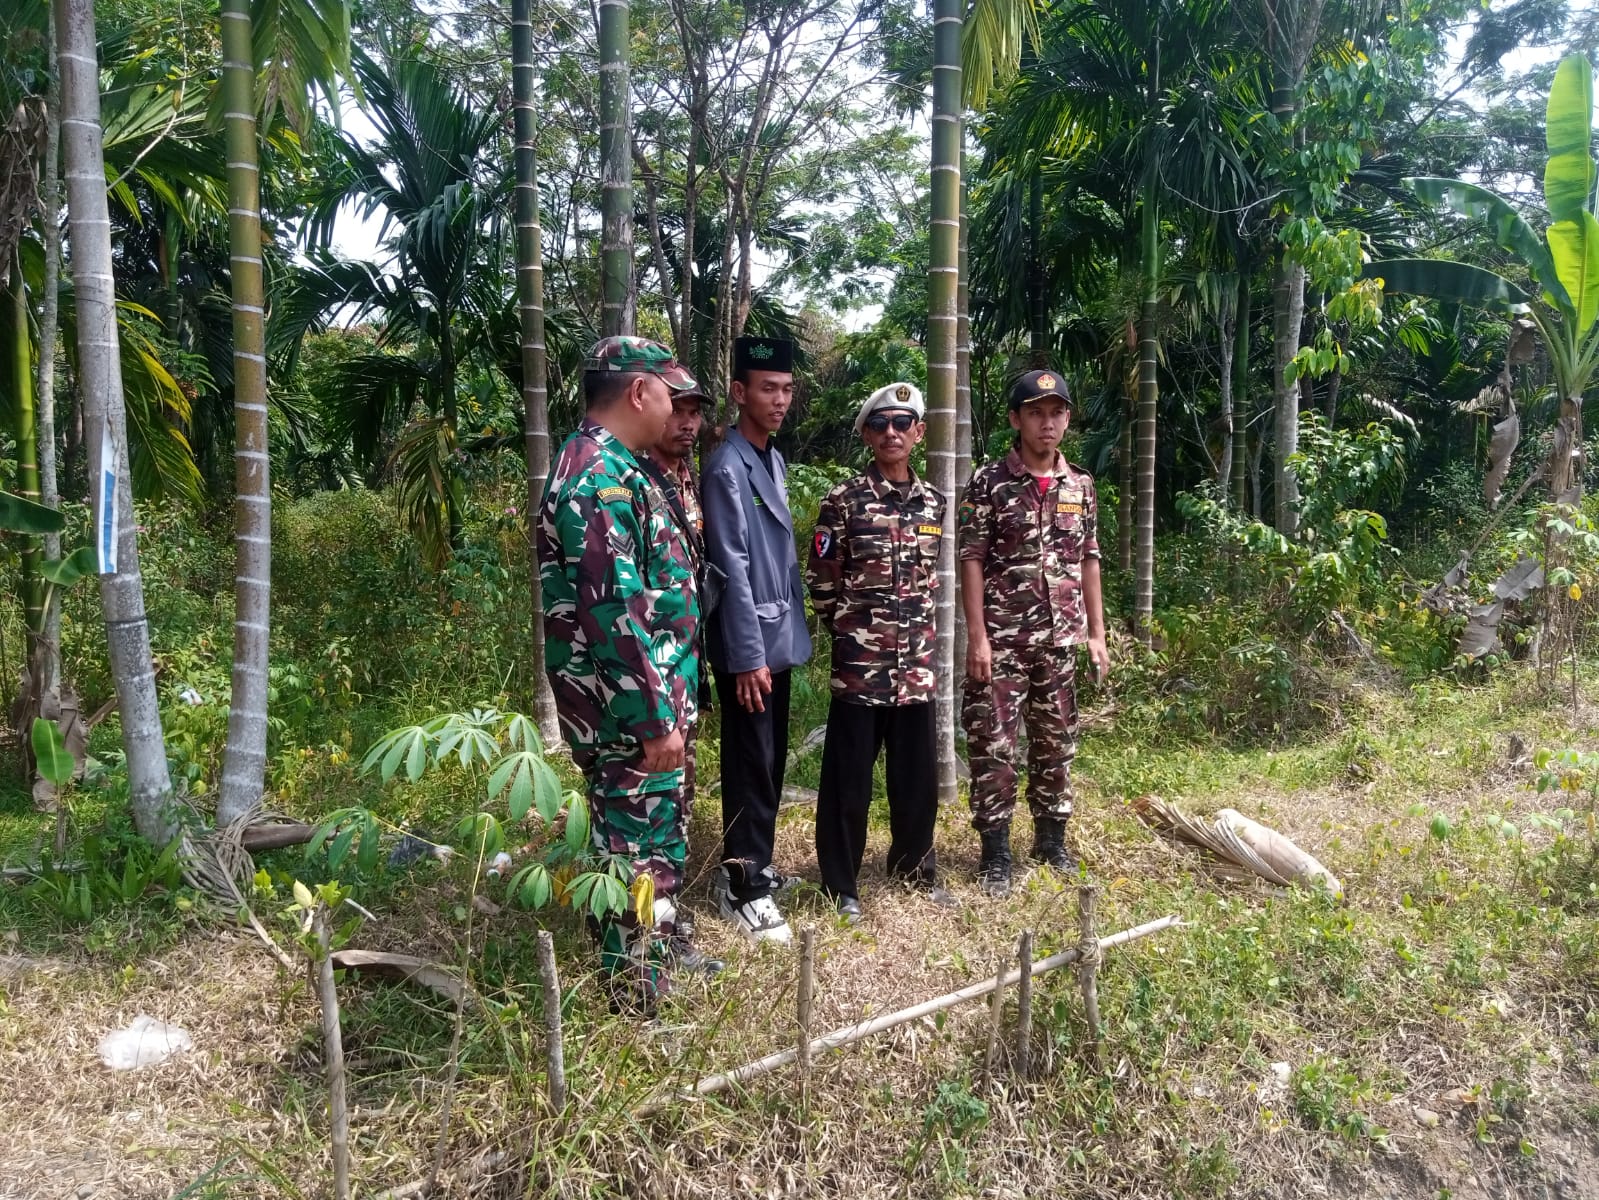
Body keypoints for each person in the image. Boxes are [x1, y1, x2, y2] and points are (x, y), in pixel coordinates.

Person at [537, 335, 716, 1011]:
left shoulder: (619, 467)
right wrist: (653, 719)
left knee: (651, 843)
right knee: (635, 851)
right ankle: (636, 993)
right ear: (639, 392)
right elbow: (613, 609)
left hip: (643, 703)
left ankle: (655, 962)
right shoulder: (597, 477)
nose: (676, 409)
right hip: (626, 714)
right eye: (669, 393)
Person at [807, 383, 957, 924]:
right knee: (848, 782)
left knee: (916, 779)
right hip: (861, 669)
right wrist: (854, 633)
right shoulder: (843, 500)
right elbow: (822, 583)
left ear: (919, 432)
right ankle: (841, 883)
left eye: (901, 423)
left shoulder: (934, 503)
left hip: (916, 667)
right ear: (867, 436)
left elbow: (928, 580)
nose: (891, 433)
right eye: (879, 424)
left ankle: (914, 867)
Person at [958, 369, 1110, 898]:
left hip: (1060, 639)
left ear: (1067, 419)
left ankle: (1050, 842)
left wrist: (1097, 634)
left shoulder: (1080, 485)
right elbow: (971, 559)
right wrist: (977, 637)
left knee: (1056, 743)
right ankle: (995, 851)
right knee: (994, 745)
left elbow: (1089, 559)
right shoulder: (989, 483)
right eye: (1036, 413)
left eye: (1056, 413)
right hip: (1002, 640)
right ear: (1015, 420)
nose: (1048, 423)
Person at [702, 335, 813, 945]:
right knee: (750, 763)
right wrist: (746, 658)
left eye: (787, 389)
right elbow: (732, 566)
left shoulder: (770, 459)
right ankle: (743, 888)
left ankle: (758, 867)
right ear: (739, 392)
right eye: (768, 389)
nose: (780, 400)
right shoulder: (727, 466)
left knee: (768, 759)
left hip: (777, 634)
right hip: (750, 646)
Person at [637, 377, 713, 940]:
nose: (687, 423)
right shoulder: (634, 479)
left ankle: (666, 916)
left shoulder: (688, 478)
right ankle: (648, 934)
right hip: (651, 680)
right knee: (649, 807)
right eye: (677, 410)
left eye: (695, 413)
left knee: (677, 800)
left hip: (684, 669)